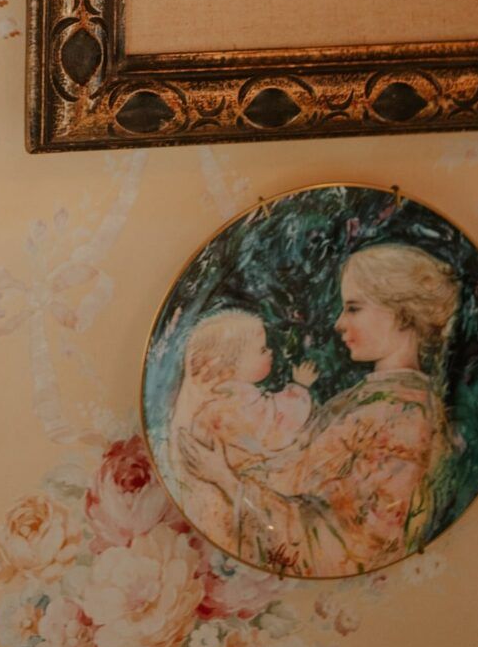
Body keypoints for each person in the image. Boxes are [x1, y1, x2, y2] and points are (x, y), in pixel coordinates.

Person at [174, 243, 460, 577]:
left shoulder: (404, 417)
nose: (339, 323)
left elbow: (348, 548)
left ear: (402, 315)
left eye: (353, 308)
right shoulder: (374, 399)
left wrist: (226, 479)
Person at [165, 310, 314, 553]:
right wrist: (299, 388)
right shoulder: (241, 402)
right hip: (250, 486)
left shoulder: (214, 402)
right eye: (262, 350)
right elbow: (277, 423)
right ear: (231, 363)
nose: (271, 353)